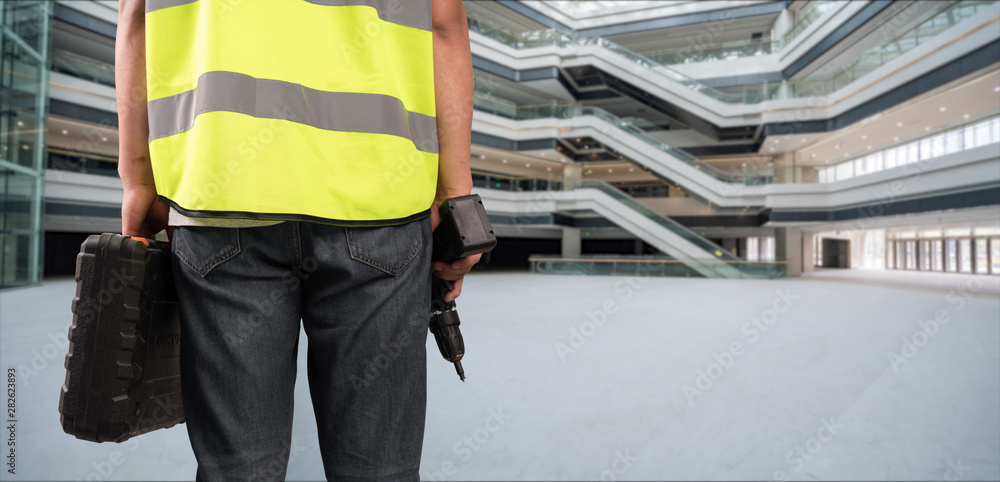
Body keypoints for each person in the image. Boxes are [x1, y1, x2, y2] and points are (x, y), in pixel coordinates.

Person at [115, 0, 478, 480]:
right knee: (378, 471)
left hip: (222, 192)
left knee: (237, 470)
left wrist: (138, 178)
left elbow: (137, 17)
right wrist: (456, 193)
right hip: (377, 197)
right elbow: (442, 23)